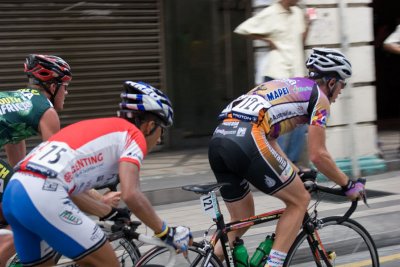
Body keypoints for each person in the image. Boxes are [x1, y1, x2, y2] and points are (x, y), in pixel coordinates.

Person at [2, 81, 192, 266]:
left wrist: (108, 212)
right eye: (161, 131)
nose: (159, 139)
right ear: (150, 126)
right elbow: (131, 194)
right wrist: (166, 232)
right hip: (41, 194)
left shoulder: (101, 127)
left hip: (15, 192)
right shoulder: (133, 135)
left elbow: (65, 185)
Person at [208, 48, 366, 267]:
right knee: (300, 200)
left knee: (240, 221)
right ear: (331, 82)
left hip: (220, 139)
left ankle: (207, 260)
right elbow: (318, 155)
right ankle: (275, 264)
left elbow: (271, 141)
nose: (341, 91)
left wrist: (296, 172)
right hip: (247, 138)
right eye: (342, 84)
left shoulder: (288, 86)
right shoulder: (320, 100)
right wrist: (348, 184)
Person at [0, 54, 120, 267]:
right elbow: (56, 170)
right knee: (21, 218)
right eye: (65, 86)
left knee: (17, 208)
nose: (67, 92)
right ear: (52, 86)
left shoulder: (20, 106)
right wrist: (100, 201)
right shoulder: (45, 110)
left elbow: (20, 169)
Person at [234, 0, 313, 166]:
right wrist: (266, 39)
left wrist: (308, 24)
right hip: (278, 75)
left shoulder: (297, 13)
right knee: (282, 122)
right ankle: (278, 163)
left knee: (300, 120)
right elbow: (242, 29)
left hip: (297, 75)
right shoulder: (271, 13)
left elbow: (301, 42)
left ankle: (291, 162)